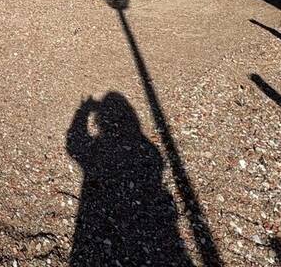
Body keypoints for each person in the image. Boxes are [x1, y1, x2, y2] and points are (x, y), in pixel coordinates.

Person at [65, 92, 192, 266]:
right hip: (158, 230)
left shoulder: (148, 150)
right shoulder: (150, 150)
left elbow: (75, 146)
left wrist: (83, 110)